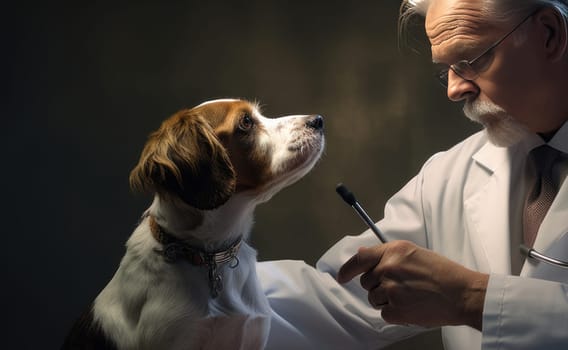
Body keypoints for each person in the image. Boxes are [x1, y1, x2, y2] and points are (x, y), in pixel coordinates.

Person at [257, 0, 568, 349]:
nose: (454, 89)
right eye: (447, 69)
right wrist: (206, 276)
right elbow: (336, 297)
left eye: (472, 60)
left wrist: (471, 298)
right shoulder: (450, 176)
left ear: (548, 34)